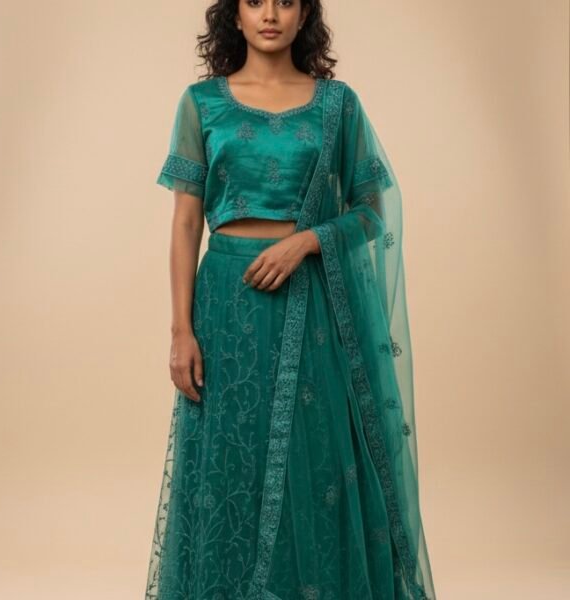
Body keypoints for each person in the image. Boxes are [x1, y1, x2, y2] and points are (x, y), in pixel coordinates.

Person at [145, 1, 437, 599]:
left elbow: (371, 213)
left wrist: (307, 241)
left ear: (305, 16)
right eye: (255, 1)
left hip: (312, 302)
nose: (270, 14)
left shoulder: (337, 105)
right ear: (235, 16)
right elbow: (186, 222)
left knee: (315, 463)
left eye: (285, 1)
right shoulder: (201, 103)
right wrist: (181, 330)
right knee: (230, 464)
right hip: (226, 306)